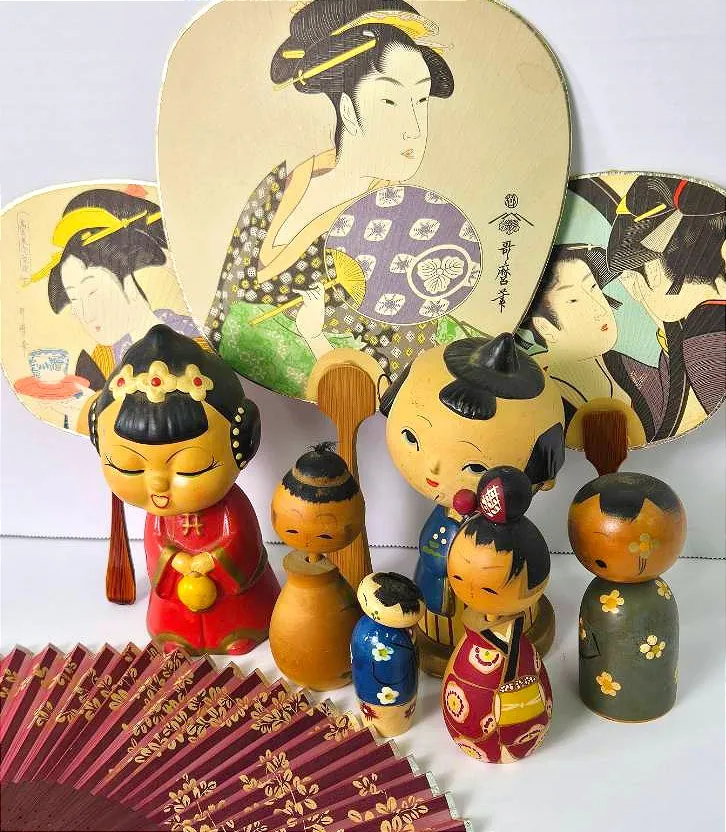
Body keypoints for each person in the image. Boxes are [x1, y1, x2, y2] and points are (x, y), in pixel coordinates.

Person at [207, 0, 458, 397]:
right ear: (348, 109)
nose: (415, 128)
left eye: (422, 100)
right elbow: (220, 313)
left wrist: (315, 337)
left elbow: (394, 378)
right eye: (390, 101)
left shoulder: (408, 222)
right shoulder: (278, 186)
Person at [380, 333, 565, 674]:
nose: (433, 469)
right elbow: (432, 550)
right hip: (438, 606)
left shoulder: (518, 533)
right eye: (411, 437)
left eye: (476, 467)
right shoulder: (444, 522)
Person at [89, 324, 280, 654]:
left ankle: (239, 632)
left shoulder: (230, 508)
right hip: (177, 588)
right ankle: (178, 635)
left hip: (230, 594)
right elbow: (156, 545)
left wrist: (211, 560)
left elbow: (242, 541)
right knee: (175, 625)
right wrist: (176, 561)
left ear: (245, 441)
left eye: (191, 467)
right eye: (129, 467)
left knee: (238, 620)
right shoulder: (159, 517)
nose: (157, 483)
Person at [29, 188, 202, 429]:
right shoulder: (102, 358)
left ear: (128, 282)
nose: (86, 314)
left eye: (92, 292)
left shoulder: (196, 343)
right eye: (75, 301)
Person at [602, 175, 726, 440]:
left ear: (651, 272)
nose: (628, 286)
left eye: (628, 277)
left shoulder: (703, 344)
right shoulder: (686, 337)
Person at [442, 467, 553, 763]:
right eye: (458, 577)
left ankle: (509, 746)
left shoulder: (514, 645)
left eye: (489, 590)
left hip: (510, 715)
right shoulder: (478, 635)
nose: (470, 590)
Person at [518, 244, 628, 424]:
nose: (599, 309)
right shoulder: (539, 402)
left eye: (593, 287)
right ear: (545, 327)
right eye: (574, 300)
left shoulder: (627, 366)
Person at [351, 571, 424, 736]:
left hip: (401, 696)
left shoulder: (404, 633)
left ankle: (395, 724)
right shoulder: (367, 633)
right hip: (373, 696)